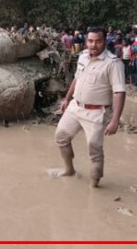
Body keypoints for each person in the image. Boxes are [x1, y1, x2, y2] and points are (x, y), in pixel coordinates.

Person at [54, 27, 126, 187]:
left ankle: (94, 184)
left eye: (98, 41)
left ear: (105, 41)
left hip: (96, 113)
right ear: (86, 41)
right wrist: (67, 99)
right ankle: (69, 169)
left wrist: (115, 120)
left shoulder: (113, 63)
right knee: (61, 137)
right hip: (75, 108)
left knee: (94, 150)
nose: (94, 45)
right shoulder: (83, 56)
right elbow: (76, 79)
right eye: (90, 41)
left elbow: (119, 92)